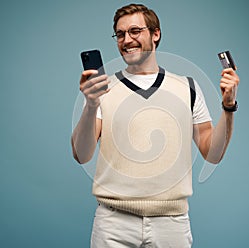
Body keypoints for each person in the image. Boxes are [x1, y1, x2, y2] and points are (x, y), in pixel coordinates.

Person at [71, 3, 240, 248]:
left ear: (155, 34)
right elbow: (82, 155)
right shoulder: (103, 89)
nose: (127, 40)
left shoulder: (188, 88)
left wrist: (228, 106)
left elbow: (212, 154)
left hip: (172, 224)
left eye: (135, 31)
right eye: (120, 34)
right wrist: (90, 105)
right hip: (113, 224)